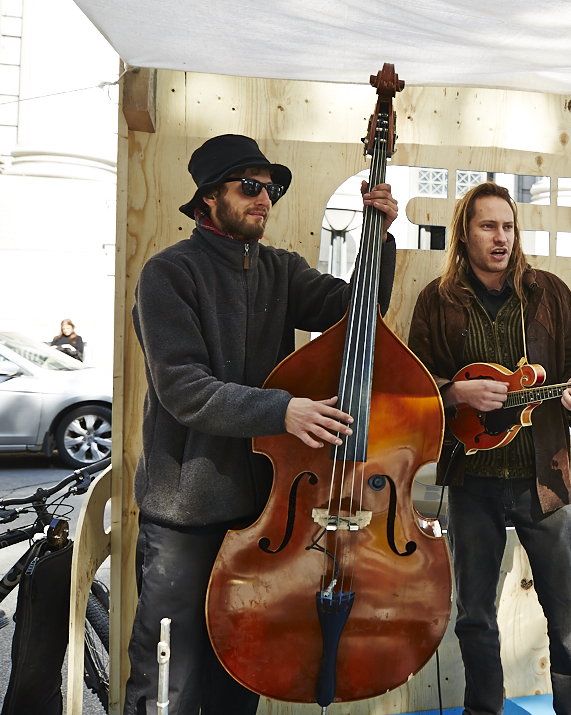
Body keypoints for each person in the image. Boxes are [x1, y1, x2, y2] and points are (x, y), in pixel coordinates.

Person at [124, 133, 399, 715]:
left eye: (270, 188)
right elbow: (184, 389)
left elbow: (359, 311)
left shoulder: (280, 269)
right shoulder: (166, 274)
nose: (264, 199)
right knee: (167, 682)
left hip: (262, 512)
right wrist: (283, 409)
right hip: (186, 517)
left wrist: (382, 237)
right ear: (207, 199)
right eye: (249, 186)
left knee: (241, 673)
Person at [407, 182, 571, 715]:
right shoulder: (436, 301)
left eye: (508, 227)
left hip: (545, 477)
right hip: (471, 480)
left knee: (568, 616)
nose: (501, 238)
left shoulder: (549, 293)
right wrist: (456, 392)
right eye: (487, 226)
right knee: (474, 614)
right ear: (463, 236)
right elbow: (414, 386)